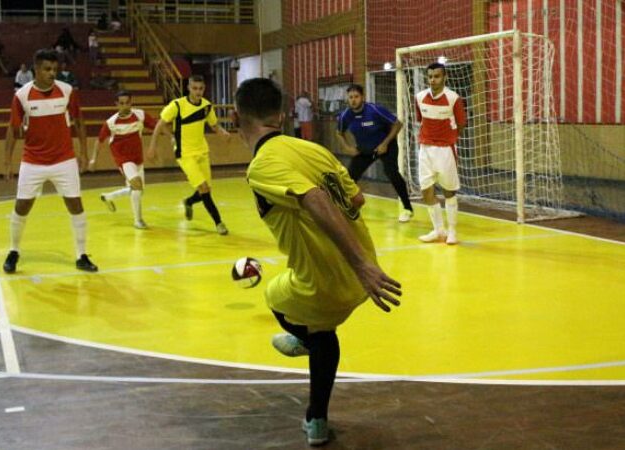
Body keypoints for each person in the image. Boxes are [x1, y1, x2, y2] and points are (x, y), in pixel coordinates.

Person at [235, 78, 402, 446]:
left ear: (237, 118)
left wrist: (359, 264)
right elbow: (356, 199)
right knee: (323, 332)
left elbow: (313, 198)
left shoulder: (262, 166)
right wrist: (362, 263)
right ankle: (317, 421)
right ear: (280, 115)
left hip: (334, 281)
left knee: (275, 296)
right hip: (362, 277)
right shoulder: (313, 150)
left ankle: (305, 342)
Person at [2, 49, 97, 274]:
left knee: (75, 205)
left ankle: (81, 255)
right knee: (22, 206)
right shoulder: (22, 96)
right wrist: (7, 161)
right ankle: (14, 250)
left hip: (64, 160)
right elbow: (13, 129)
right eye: (47, 69)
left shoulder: (67, 91)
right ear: (36, 69)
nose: (52, 73)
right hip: (33, 161)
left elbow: (79, 122)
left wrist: (83, 152)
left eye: (54, 69)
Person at [147, 75, 231, 235]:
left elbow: (214, 125)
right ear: (189, 88)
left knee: (205, 191)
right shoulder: (177, 105)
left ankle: (189, 201)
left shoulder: (207, 106)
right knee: (204, 188)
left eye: (201, 89)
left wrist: (222, 132)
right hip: (185, 154)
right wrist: (153, 146)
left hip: (202, 152)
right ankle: (219, 222)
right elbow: (160, 124)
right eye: (195, 88)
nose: (198, 92)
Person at [336, 84, 414, 223]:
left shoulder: (374, 110)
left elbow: (397, 124)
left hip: (385, 147)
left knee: (392, 173)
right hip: (365, 150)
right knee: (349, 177)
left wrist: (385, 143)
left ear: (362, 97)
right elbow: (339, 133)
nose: (353, 100)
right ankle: (346, 207)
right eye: (350, 97)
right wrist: (347, 148)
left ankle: (407, 208)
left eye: (356, 97)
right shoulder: (345, 116)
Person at [414, 62, 467, 245]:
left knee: (448, 191)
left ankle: (452, 231)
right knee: (426, 190)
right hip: (425, 149)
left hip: (446, 150)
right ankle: (438, 230)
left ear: (445, 77)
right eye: (430, 76)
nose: (433, 80)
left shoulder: (454, 98)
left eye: (437, 76)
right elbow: (421, 120)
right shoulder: (420, 97)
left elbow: (460, 124)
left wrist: (449, 139)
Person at [89, 91, 159, 229]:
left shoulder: (140, 115)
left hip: (138, 159)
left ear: (131, 102)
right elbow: (99, 141)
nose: (125, 105)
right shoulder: (111, 122)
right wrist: (93, 159)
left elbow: (158, 126)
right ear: (116, 104)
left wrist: (171, 134)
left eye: (127, 102)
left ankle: (108, 197)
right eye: (121, 103)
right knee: (137, 185)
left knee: (137, 189)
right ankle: (138, 221)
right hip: (123, 160)